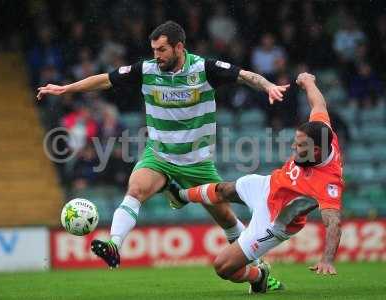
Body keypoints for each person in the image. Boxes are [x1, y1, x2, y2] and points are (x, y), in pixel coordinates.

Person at [37, 21, 289, 285]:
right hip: (159, 155)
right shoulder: (146, 70)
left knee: (226, 218)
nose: (156, 55)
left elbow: (244, 75)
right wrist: (66, 89)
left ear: (179, 47)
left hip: (197, 162)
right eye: (154, 49)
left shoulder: (203, 69)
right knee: (135, 190)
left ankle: (259, 274)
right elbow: (106, 80)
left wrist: (268, 86)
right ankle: (114, 244)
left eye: (162, 50)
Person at [171, 73, 343, 294]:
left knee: (223, 267)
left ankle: (259, 276)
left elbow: (334, 224)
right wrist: (310, 82)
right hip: (268, 185)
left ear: (316, 151)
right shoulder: (322, 131)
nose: (293, 148)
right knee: (223, 189)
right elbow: (318, 103)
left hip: (274, 220)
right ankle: (180, 196)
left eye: (299, 146)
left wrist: (327, 259)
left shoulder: (329, 182)